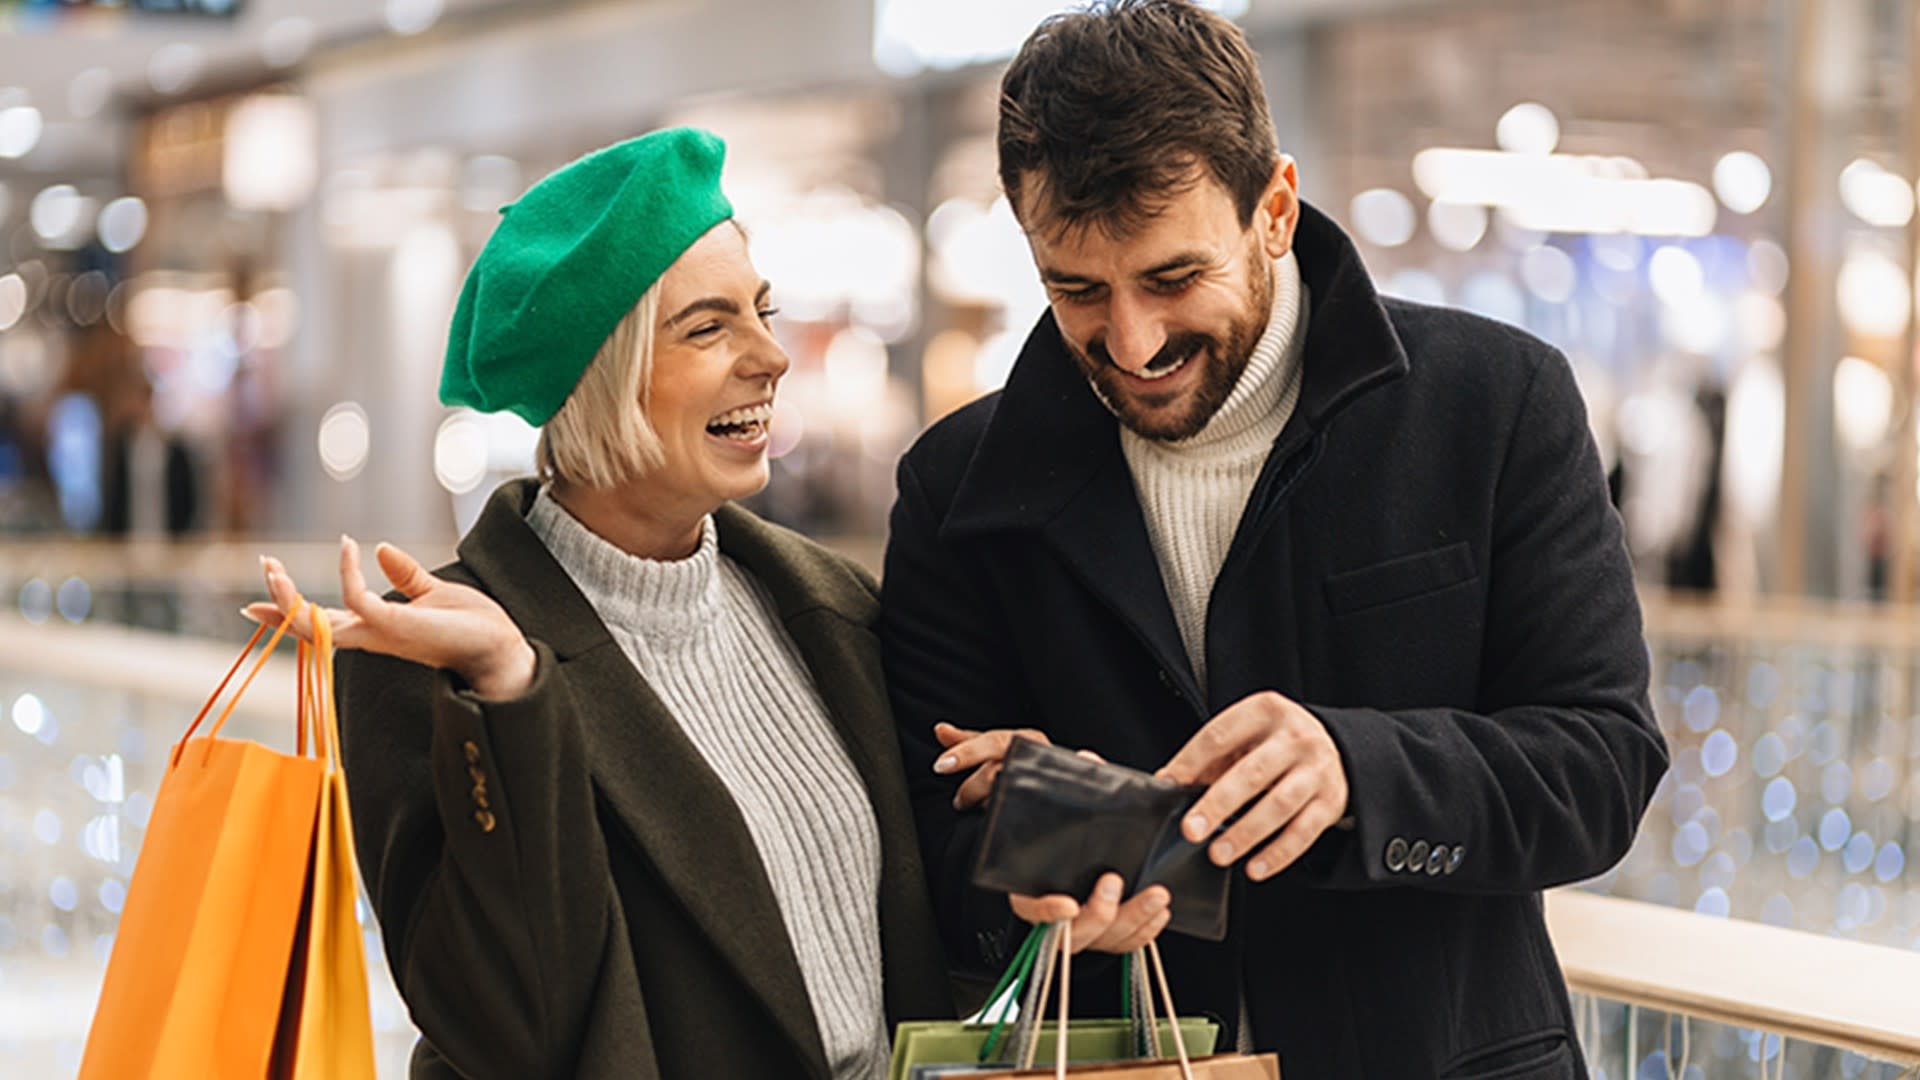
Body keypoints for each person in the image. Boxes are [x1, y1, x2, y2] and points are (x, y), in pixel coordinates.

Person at [880, 3, 1669, 1077]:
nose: (1132, 340)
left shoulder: (1494, 405)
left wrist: (1358, 771)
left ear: (1277, 211)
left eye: (1170, 278)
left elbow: (1601, 766)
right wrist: (1041, 859)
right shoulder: (956, 487)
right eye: (1075, 290)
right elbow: (936, 831)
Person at [246, 127, 951, 1079]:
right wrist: (510, 698)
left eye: (763, 311)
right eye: (709, 327)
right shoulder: (438, 658)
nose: (771, 356)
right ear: (599, 378)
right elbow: (501, 1026)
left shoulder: (827, 609)